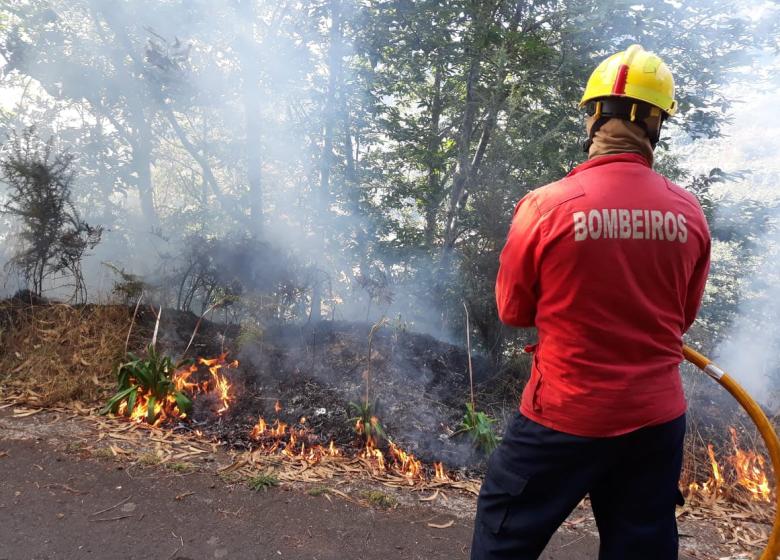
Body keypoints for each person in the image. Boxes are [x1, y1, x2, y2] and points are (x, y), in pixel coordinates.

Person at [470, 45, 712, 560]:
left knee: (504, 533)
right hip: (654, 419)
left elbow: (513, 311)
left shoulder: (547, 205)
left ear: (594, 117)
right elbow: (682, 318)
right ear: (656, 123)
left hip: (564, 411)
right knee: (641, 546)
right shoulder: (688, 212)